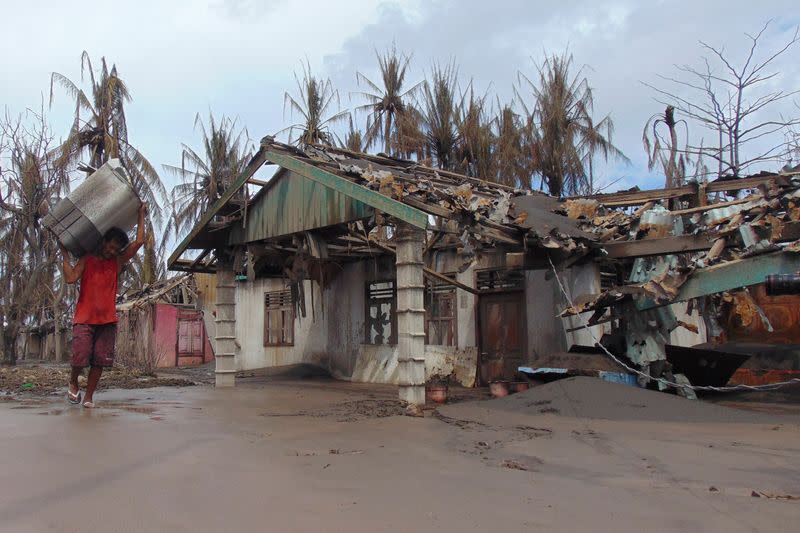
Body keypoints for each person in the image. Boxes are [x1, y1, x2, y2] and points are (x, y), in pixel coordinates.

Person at [60, 203, 147, 408]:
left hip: (107, 320)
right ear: (104, 241)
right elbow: (71, 278)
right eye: (110, 245)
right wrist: (65, 256)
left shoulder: (116, 262)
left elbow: (140, 241)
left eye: (116, 249)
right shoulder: (87, 259)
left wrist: (141, 215)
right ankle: (73, 381)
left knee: (100, 361)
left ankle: (89, 397)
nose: (112, 250)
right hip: (84, 318)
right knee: (80, 357)